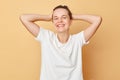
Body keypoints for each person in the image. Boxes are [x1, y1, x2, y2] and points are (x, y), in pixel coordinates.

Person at [20, 5, 102, 80]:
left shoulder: (77, 40)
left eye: (64, 17)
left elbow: (97, 19)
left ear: (70, 21)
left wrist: (72, 16)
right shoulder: (46, 37)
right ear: (52, 21)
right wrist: (47, 17)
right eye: (56, 18)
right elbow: (24, 18)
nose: (60, 21)